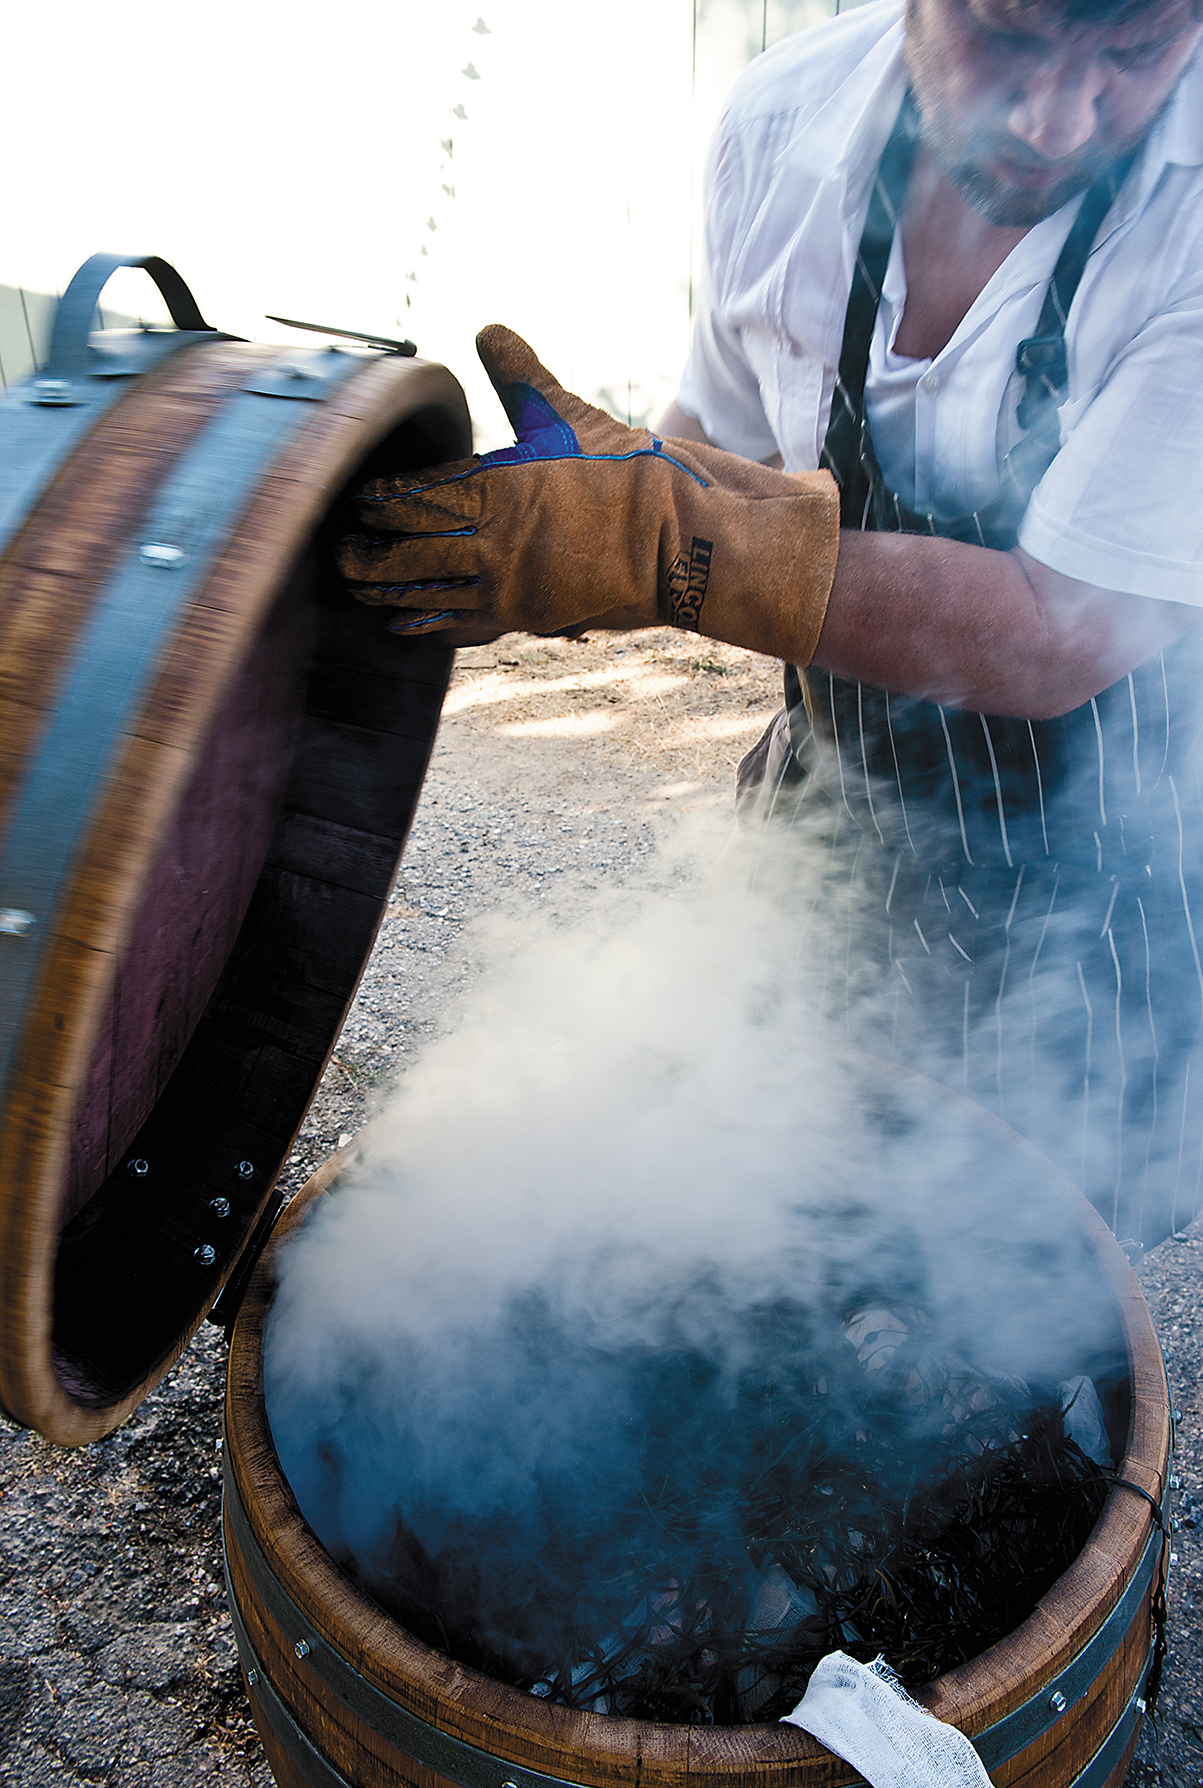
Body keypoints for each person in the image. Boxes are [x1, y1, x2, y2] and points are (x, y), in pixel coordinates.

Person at [336, 0, 1203, 1245]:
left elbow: (1060, 630)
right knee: (774, 1195)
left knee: (1022, 1292)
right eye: (1006, 36)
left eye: (1132, 55)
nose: (1060, 116)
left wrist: (665, 540)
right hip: (834, 808)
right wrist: (589, 519)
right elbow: (720, 457)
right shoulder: (787, 126)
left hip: (1099, 895)